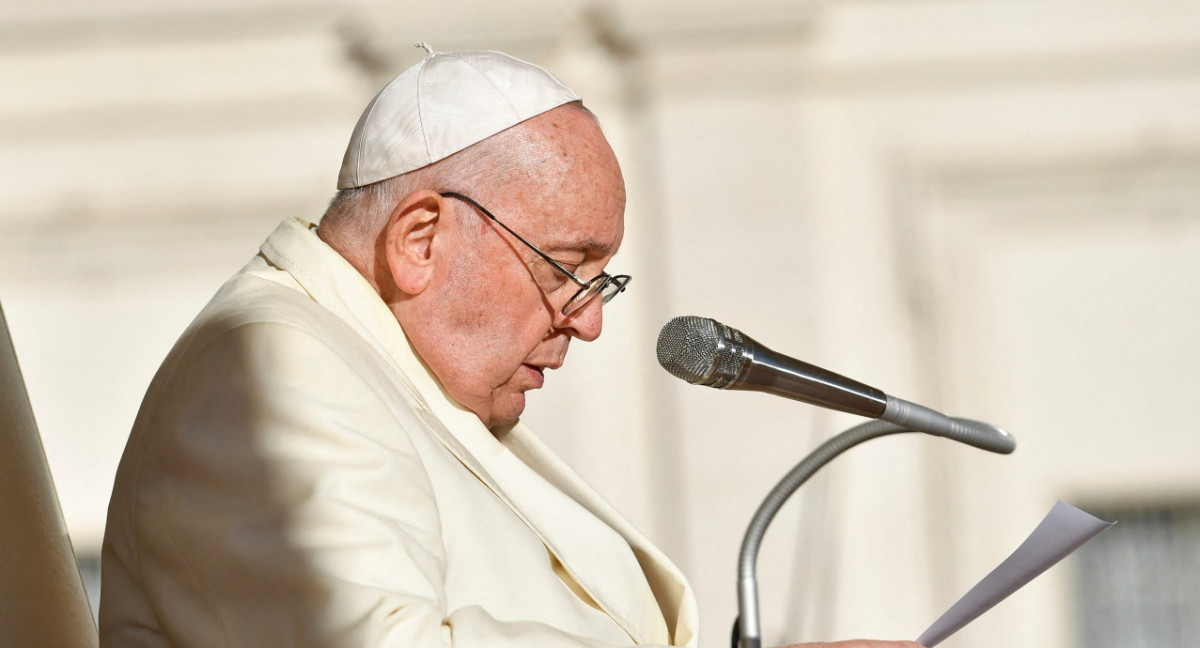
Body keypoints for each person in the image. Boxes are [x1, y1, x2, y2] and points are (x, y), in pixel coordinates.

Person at [99, 46, 922, 648]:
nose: (589, 321)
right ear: (419, 239)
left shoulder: (377, 369)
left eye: (603, 281)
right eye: (568, 268)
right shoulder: (270, 365)